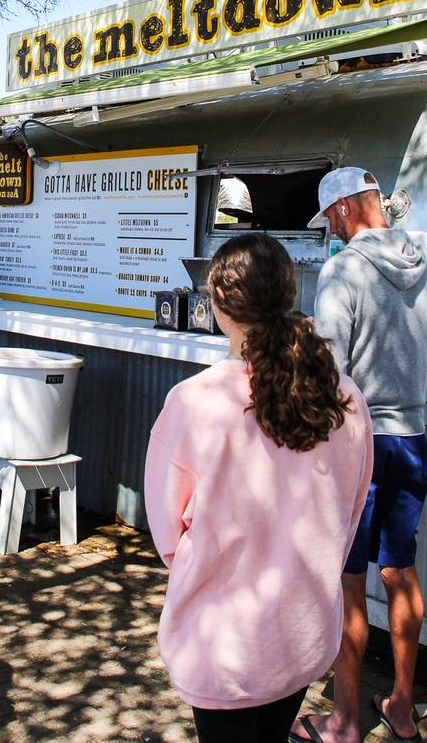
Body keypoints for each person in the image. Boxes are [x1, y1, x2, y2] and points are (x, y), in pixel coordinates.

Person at [145, 233, 373, 743]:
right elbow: (351, 510)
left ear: (219, 303)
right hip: (302, 631)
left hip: (223, 643)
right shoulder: (346, 398)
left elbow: (166, 534)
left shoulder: (192, 403)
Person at [293, 168, 427, 743]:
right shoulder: (425, 269)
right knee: (399, 571)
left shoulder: (342, 270)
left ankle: (346, 719)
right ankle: (403, 707)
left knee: (349, 580)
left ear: (344, 211)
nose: (330, 228)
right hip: (412, 439)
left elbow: (328, 375)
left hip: (360, 446)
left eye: (330, 218)